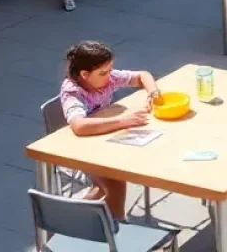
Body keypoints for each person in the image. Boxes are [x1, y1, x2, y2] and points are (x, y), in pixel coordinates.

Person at [59, 41, 161, 219]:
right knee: (115, 179)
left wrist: (153, 92)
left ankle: (77, 214)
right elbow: (79, 126)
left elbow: (143, 75)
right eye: (103, 73)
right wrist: (123, 121)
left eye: (110, 69)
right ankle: (117, 225)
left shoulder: (109, 77)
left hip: (106, 138)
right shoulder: (73, 92)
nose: (109, 76)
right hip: (80, 150)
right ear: (84, 75)